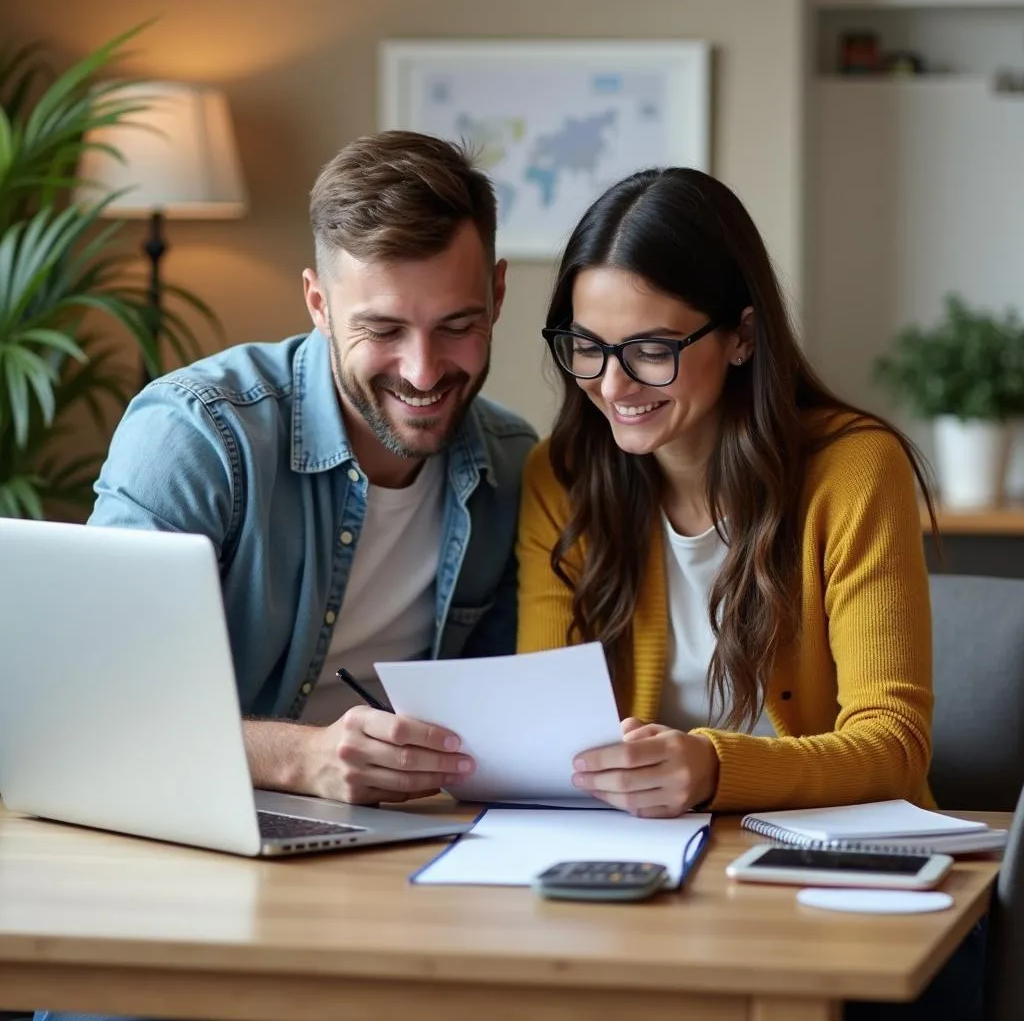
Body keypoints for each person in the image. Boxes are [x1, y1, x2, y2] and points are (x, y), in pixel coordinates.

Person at [516, 166, 983, 1020]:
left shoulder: (852, 469)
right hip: (644, 879)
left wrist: (710, 765)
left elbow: (894, 745)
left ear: (741, 336)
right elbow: (548, 724)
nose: (613, 386)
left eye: (651, 349)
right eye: (586, 346)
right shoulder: (565, 478)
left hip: (836, 884)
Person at [86, 129, 536, 807]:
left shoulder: (510, 462)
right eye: (383, 330)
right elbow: (91, 696)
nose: (423, 370)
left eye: (456, 325)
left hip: (408, 834)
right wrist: (299, 759)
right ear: (319, 305)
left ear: (498, 296)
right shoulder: (197, 435)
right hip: (200, 818)